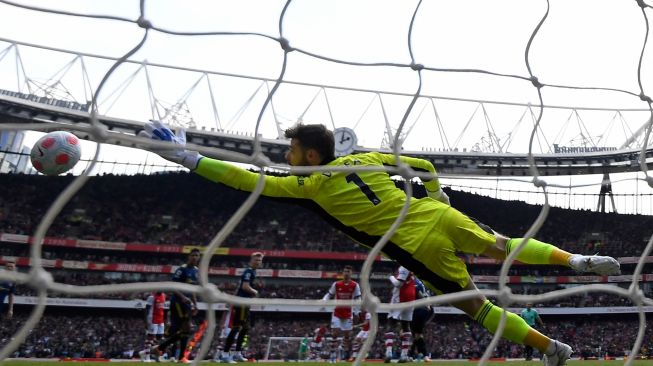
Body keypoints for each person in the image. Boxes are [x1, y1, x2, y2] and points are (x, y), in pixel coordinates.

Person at [140, 120, 622, 366]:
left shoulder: (309, 184)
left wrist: (189, 157)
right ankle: (580, 260)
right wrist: (436, 198)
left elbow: (247, 180)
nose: (286, 157)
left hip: (412, 244)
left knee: (476, 306)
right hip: (434, 211)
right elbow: (426, 170)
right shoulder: (369, 156)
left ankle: (552, 348)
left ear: (310, 155)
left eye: (290, 151)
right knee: (503, 245)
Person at [140, 248, 200, 363]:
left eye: (197, 255)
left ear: (199, 258)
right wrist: (183, 297)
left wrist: (195, 304)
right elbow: (173, 286)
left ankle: (161, 349)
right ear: (189, 257)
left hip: (187, 304)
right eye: (193, 255)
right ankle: (178, 356)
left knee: (183, 331)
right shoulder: (181, 270)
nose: (194, 257)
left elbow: (192, 289)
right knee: (186, 328)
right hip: (178, 302)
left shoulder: (196, 271)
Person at [219, 252, 264, 363]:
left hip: (245, 302)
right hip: (242, 303)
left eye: (259, 260)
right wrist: (255, 292)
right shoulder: (248, 271)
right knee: (237, 328)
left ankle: (237, 353)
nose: (257, 262)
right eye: (256, 260)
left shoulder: (253, 272)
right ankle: (225, 354)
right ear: (251, 260)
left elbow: (240, 286)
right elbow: (245, 287)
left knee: (245, 328)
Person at [321, 265, 361, 362]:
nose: (346, 273)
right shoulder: (337, 284)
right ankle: (333, 354)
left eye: (348, 271)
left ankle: (340, 350)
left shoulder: (355, 285)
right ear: (342, 273)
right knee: (335, 333)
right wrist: (324, 301)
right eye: (345, 271)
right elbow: (329, 294)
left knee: (347, 335)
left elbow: (358, 299)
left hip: (348, 313)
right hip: (337, 312)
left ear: (351, 273)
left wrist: (357, 312)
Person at [384, 266, 416, 363]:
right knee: (406, 325)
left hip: (400, 298)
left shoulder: (403, 267)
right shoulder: (411, 267)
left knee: (391, 322)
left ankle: (389, 352)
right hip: (410, 298)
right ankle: (404, 355)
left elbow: (398, 284)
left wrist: (391, 277)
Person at [411, 277, 435, 362]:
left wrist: (426, 305)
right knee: (415, 334)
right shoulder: (419, 281)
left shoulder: (413, 282)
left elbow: (419, 293)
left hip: (420, 309)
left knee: (416, 334)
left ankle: (423, 355)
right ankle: (413, 354)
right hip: (423, 309)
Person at [141, 291, 167, 362]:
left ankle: (147, 354)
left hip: (160, 320)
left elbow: (162, 309)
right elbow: (146, 309)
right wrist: (146, 322)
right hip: (152, 319)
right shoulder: (152, 297)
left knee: (159, 338)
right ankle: (147, 357)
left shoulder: (164, 295)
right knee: (150, 337)